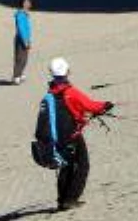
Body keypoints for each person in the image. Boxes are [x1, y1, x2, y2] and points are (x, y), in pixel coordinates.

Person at [46, 57, 114, 212]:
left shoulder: (51, 92)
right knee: (83, 165)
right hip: (73, 136)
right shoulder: (70, 92)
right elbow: (90, 105)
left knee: (65, 166)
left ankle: (62, 200)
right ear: (67, 72)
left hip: (58, 137)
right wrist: (106, 105)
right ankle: (70, 199)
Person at [13, 0, 33, 85]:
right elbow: (21, 29)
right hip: (21, 39)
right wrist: (25, 40)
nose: (29, 3)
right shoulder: (20, 14)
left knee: (24, 58)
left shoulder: (24, 14)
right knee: (20, 58)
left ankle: (20, 74)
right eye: (27, 2)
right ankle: (16, 76)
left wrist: (28, 40)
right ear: (23, 4)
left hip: (26, 39)